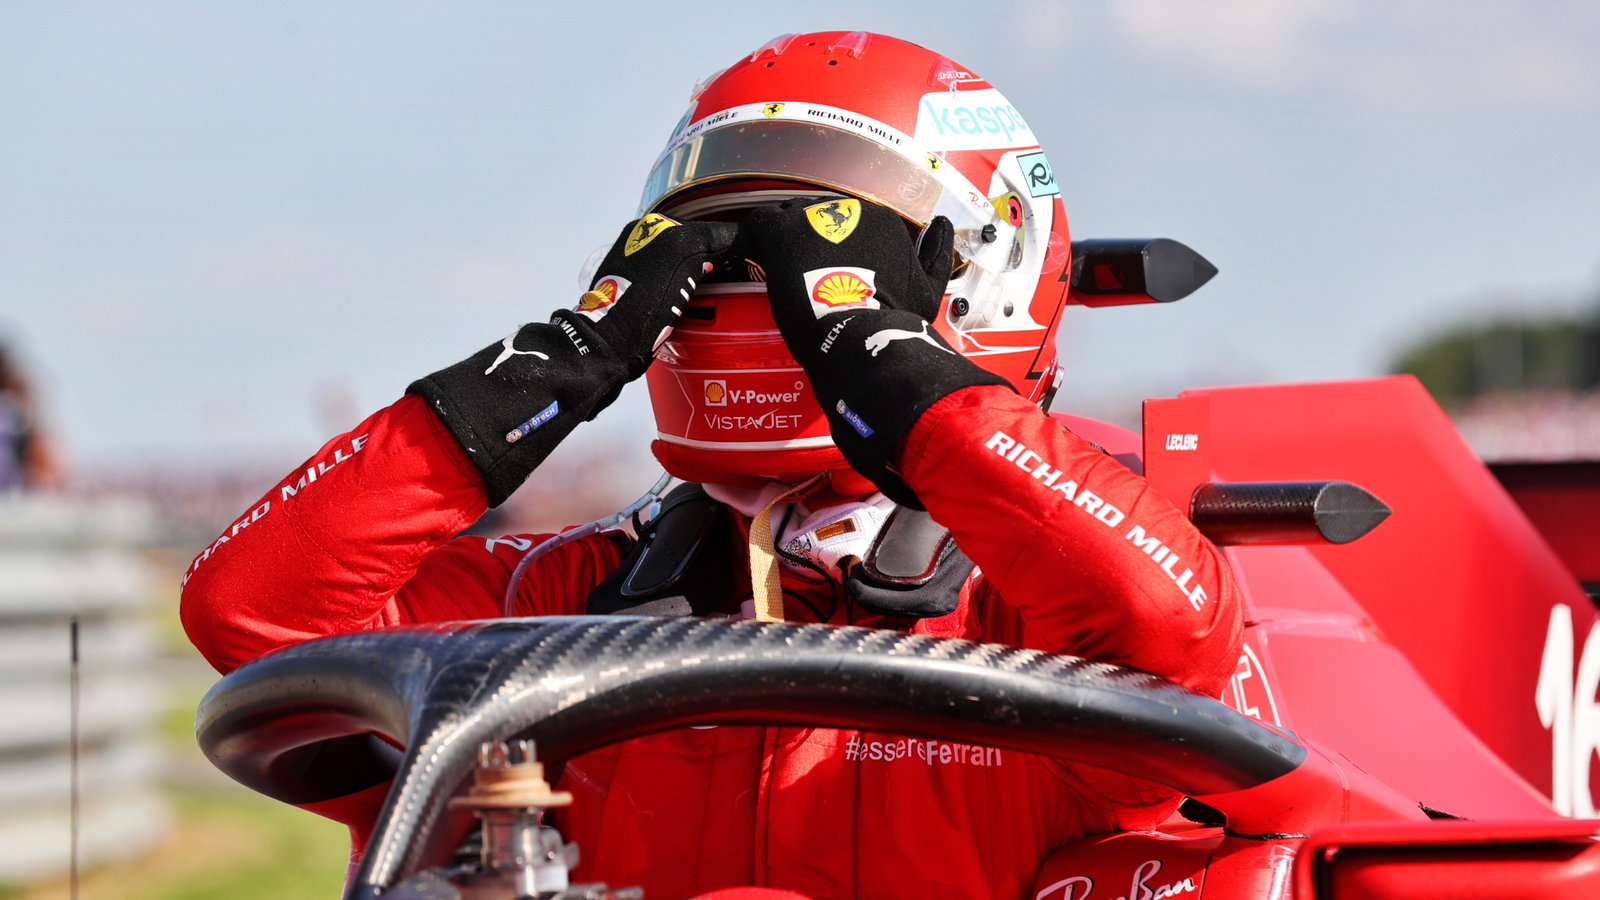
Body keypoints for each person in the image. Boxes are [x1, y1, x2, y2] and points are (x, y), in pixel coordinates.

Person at [181, 31, 1242, 900]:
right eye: (717, 244)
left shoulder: (1043, 610)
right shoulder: (557, 597)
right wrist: (552, 368)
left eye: (811, 246)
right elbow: (254, 616)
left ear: (973, 273)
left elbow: (1170, 625)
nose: (751, 281)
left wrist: (892, 371)